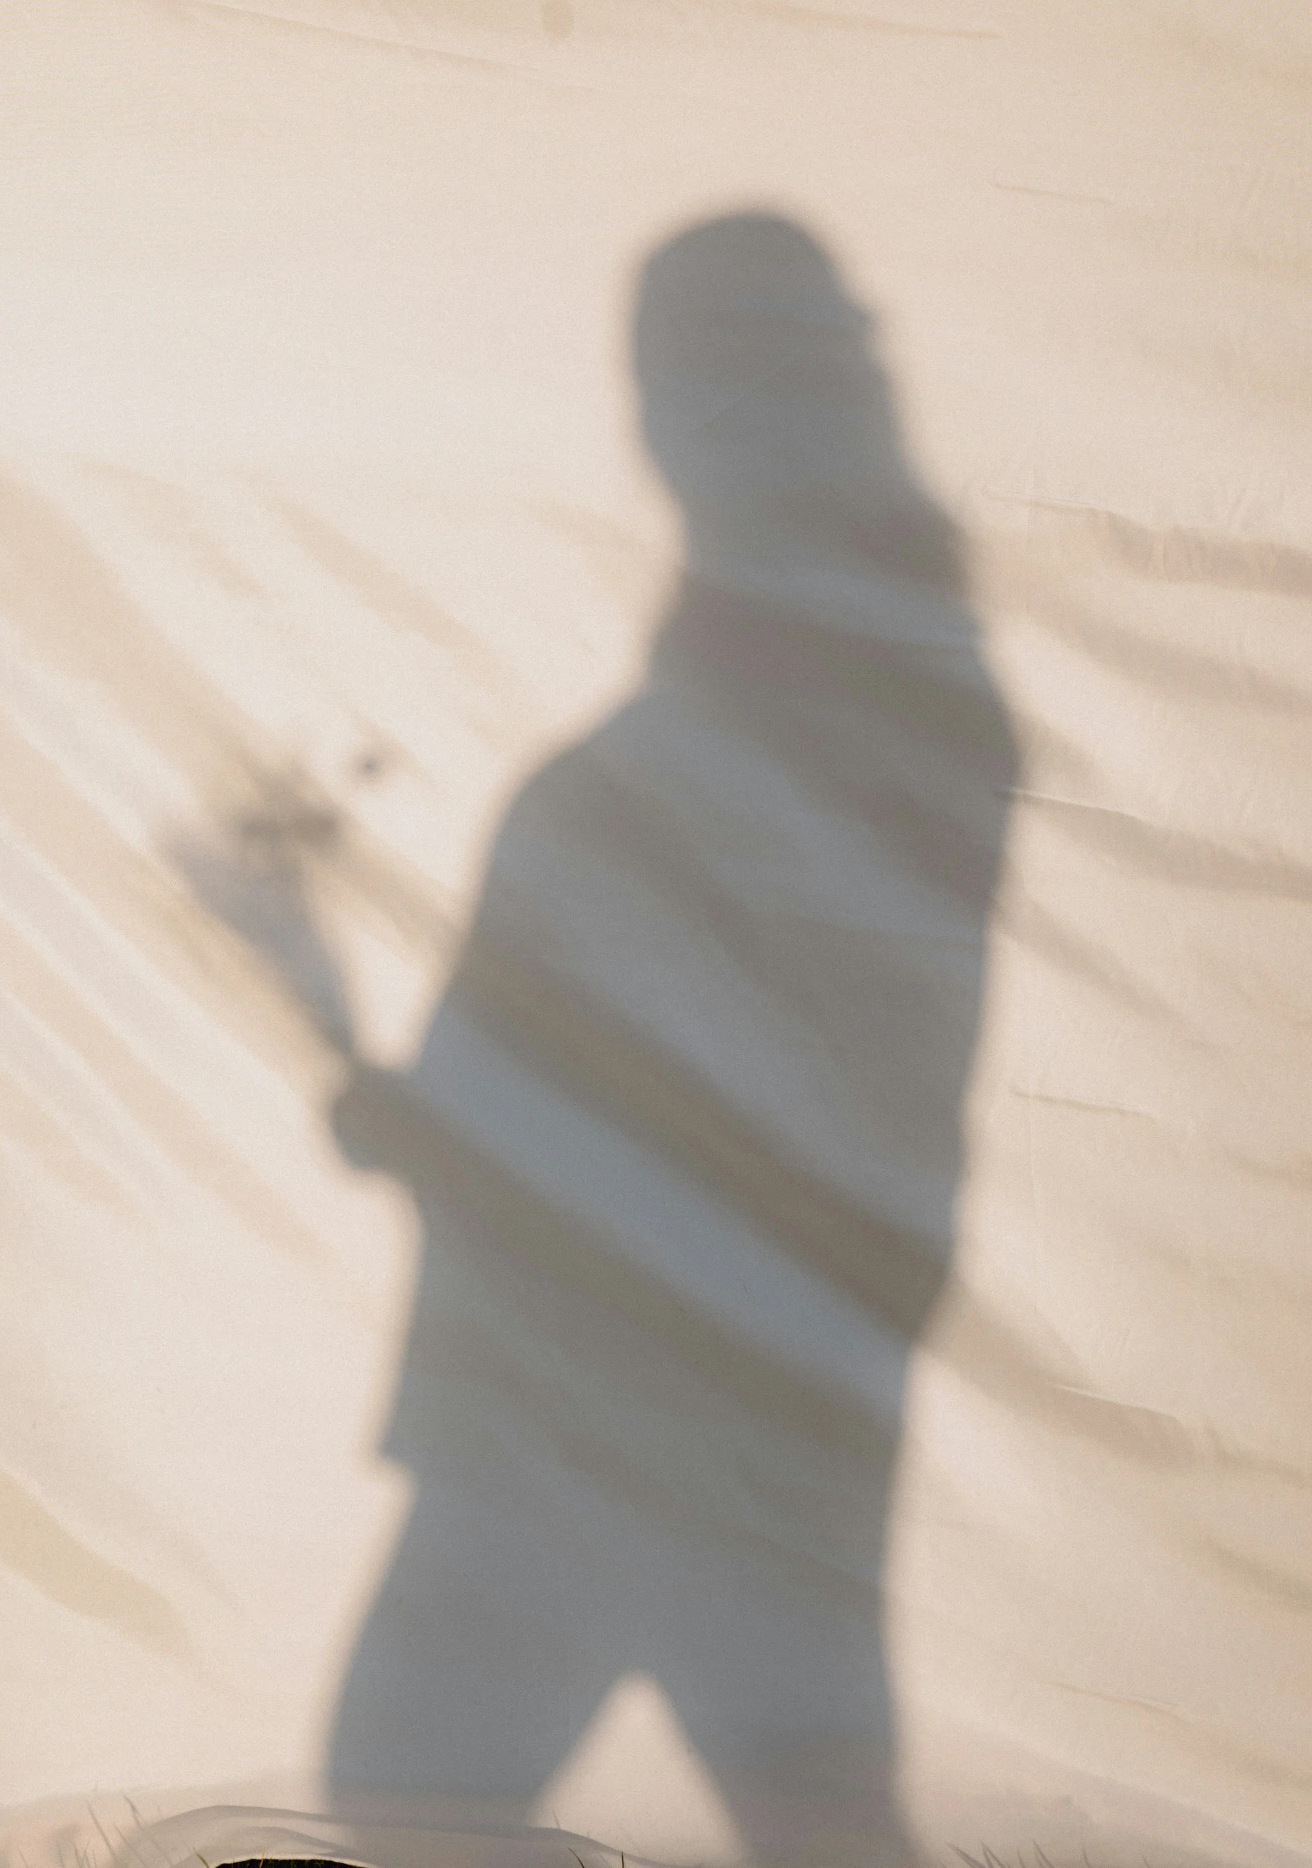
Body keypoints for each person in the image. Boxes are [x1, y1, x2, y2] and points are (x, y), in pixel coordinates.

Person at [321, 213, 1017, 1858]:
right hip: (776, 1422)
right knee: (801, 1824)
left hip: (597, 1426)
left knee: (410, 1799)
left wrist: (441, 1116)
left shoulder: (790, 717)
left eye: (696, 387)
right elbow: (688, 1072)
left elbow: (689, 1066)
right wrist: (439, 1116)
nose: (679, 433)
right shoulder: (907, 690)